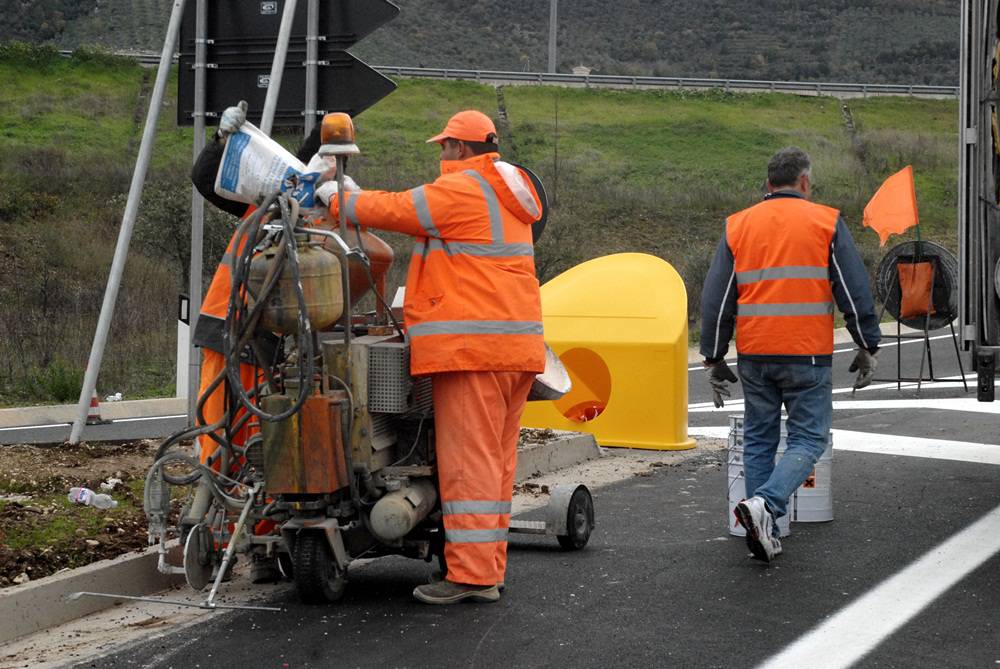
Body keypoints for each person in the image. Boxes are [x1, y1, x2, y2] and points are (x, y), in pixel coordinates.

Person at [316, 110, 546, 604]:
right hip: (513, 350)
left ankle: (470, 578)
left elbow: (397, 209)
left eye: (443, 147)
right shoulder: (506, 194)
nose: (440, 156)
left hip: (474, 353)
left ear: (459, 149)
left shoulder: (465, 188)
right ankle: (487, 567)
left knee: (469, 467)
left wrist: (337, 198)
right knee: (495, 467)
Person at [699, 146, 881, 563]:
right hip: (806, 355)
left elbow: (717, 299)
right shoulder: (826, 222)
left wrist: (712, 356)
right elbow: (852, 290)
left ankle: (764, 530)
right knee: (809, 437)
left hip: (756, 355)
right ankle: (768, 505)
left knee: (761, 439)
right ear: (804, 182)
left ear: (767, 184)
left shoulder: (737, 226)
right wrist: (867, 344)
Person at [189, 102, 322, 583]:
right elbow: (206, 179)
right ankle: (216, 538)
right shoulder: (263, 201)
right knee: (221, 435)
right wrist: (222, 140)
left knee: (261, 445)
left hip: (269, 347)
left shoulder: (323, 223)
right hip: (227, 330)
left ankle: (262, 544)